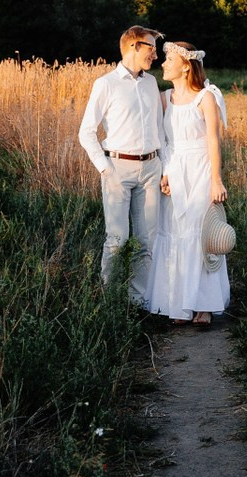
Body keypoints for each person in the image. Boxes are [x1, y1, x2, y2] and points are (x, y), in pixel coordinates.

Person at [77, 25, 168, 305]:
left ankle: (138, 304)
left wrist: (163, 168)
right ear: (133, 46)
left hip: (151, 169)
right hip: (118, 168)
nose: (156, 54)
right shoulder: (106, 84)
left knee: (146, 242)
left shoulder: (151, 83)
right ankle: (111, 303)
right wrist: (106, 169)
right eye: (151, 47)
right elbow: (86, 132)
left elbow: (159, 129)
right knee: (117, 240)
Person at [150, 40, 230, 324]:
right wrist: (165, 173)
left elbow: (213, 140)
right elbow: (161, 141)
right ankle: (180, 305)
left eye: (169, 59)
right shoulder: (163, 98)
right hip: (174, 169)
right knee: (173, 232)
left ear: (186, 66)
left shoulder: (205, 97)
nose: (163, 63)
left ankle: (203, 305)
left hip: (200, 171)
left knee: (200, 235)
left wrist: (216, 181)